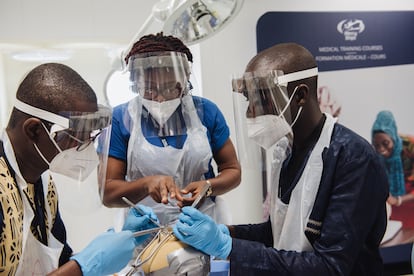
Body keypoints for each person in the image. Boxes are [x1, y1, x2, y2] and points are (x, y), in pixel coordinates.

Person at [172, 42, 389, 275]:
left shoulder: (353, 159)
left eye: (261, 99)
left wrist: (227, 247)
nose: (249, 112)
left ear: (300, 96)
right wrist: (225, 232)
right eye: (248, 100)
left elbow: (331, 267)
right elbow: (279, 233)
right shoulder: (285, 150)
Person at [0, 63, 158, 275]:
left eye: (90, 137)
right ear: (34, 130)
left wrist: (121, 239)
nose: (87, 150)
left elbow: (59, 263)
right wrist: (87, 265)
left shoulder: (44, 186)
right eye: (77, 138)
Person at [103, 32, 241, 226]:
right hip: (143, 231)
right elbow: (108, 193)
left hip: (202, 224)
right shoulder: (121, 118)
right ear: (135, 85)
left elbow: (232, 170)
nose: (160, 99)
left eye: (170, 89)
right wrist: (146, 184)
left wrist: (208, 186)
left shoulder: (205, 112)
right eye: (149, 89)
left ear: (185, 82)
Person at [372, 110, 414, 228]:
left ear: (393, 138)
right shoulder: (373, 153)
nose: (382, 150)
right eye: (377, 145)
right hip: (392, 209)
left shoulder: (410, 146)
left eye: (386, 143)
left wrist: (398, 200)